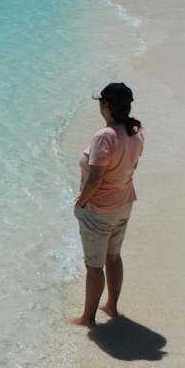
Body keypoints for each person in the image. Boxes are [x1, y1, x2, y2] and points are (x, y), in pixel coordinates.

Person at [70, 82, 144, 327]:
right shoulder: (135, 132)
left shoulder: (104, 137)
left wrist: (80, 203)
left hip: (99, 210)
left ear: (107, 106)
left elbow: (95, 178)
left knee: (94, 266)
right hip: (124, 203)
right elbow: (131, 167)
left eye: (101, 102)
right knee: (114, 257)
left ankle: (87, 317)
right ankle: (111, 306)